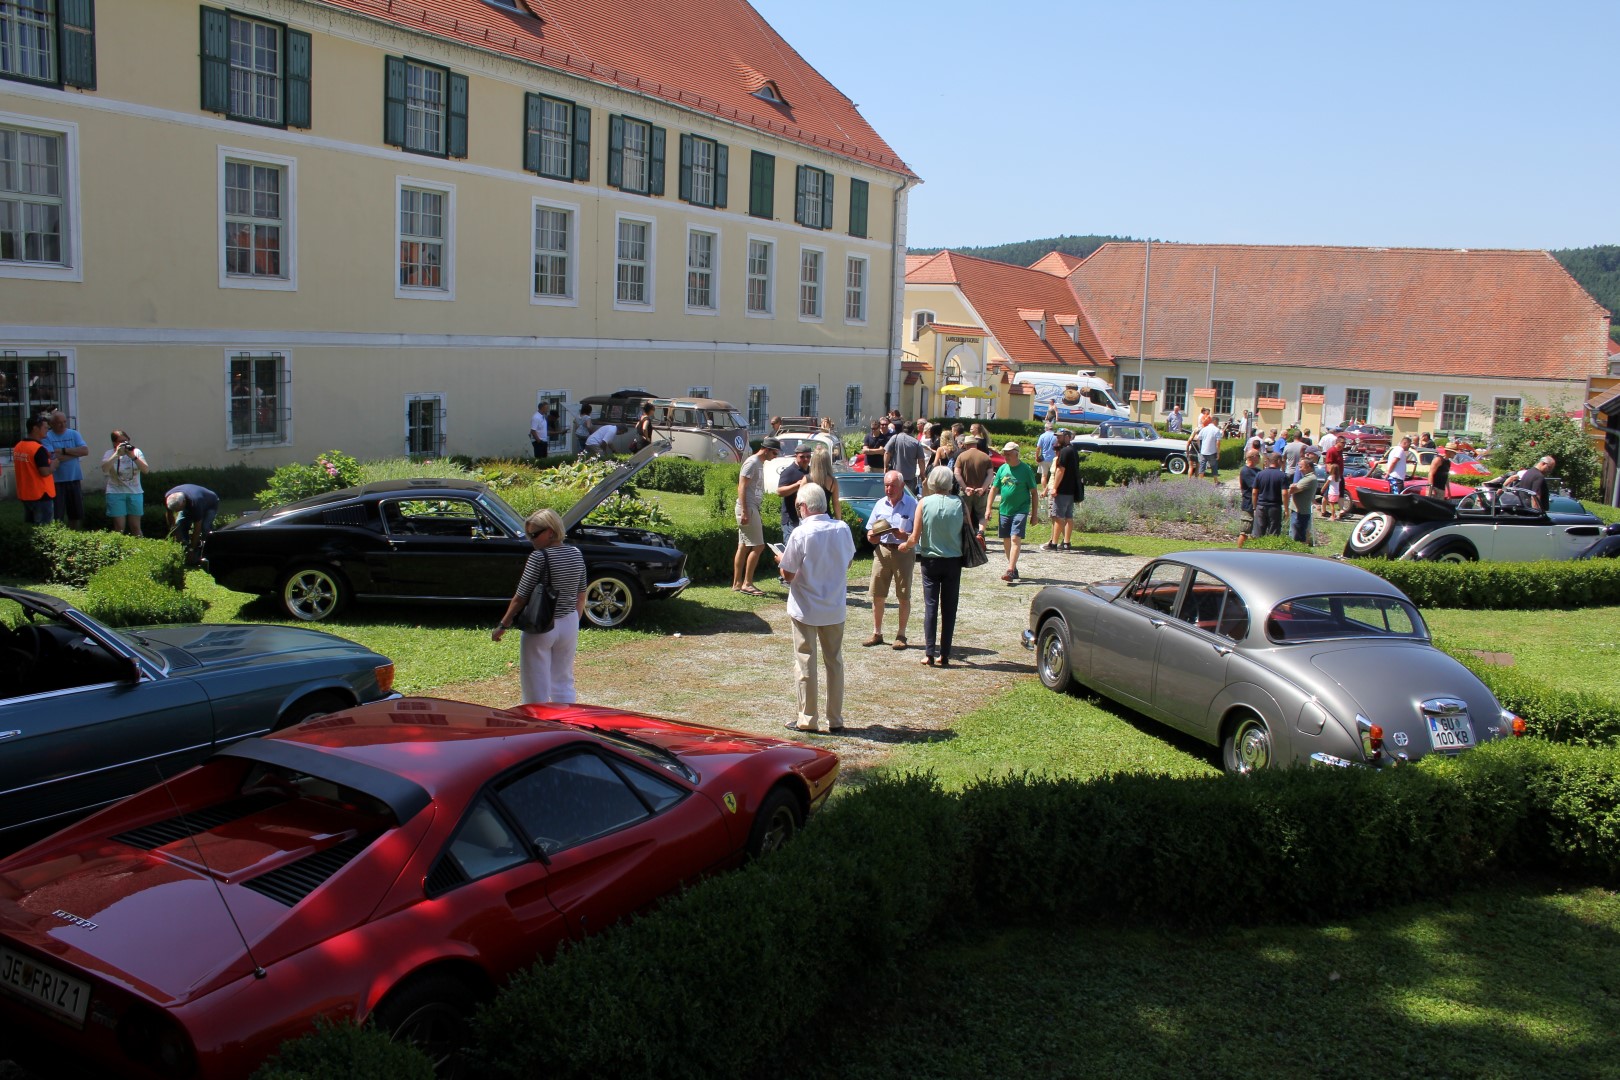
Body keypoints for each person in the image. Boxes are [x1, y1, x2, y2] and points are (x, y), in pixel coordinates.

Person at [778, 482, 855, 733]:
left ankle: (808, 718)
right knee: (835, 663)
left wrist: (781, 559)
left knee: (806, 662)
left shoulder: (801, 533)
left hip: (806, 607)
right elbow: (849, 562)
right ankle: (836, 719)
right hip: (833, 606)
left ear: (803, 506)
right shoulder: (842, 528)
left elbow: (787, 574)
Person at [491, 508, 588, 704]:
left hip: (541, 625)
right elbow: (581, 595)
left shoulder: (539, 557)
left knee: (535, 684)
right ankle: (566, 721)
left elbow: (521, 597)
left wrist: (503, 625)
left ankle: (538, 725)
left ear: (550, 532)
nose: (531, 540)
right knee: (563, 680)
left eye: (534, 535)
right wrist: (572, 622)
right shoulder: (576, 554)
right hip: (569, 622)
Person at [900, 467, 965, 668]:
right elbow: (967, 531)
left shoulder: (924, 503)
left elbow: (915, 536)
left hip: (931, 560)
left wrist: (906, 544)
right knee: (949, 608)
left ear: (932, 482)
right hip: (953, 560)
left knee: (931, 606)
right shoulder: (960, 503)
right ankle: (944, 654)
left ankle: (929, 653)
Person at [863, 470, 917, 649]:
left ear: (902, 486)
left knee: (903, 595)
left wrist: (905, 536)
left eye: (892, 485)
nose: (889, 489)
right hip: (882, 552)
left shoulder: (912, 504)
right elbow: (870, 531)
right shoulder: (880, 504)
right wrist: (872, 537)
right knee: (877, 594)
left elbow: (919, 535)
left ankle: (901, 635)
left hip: (903, 552)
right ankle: (877, 633)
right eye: (886, 485)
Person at [733, 438, 779, 595]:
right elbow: (742, 486)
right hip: (748, 508)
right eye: (774, 452)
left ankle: (737, 584)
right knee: (759, 546)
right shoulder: (752, 462)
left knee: (744, 546)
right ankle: (747, 583)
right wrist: (745, 511)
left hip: (751, 507)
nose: (775, 456)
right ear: (766, 449)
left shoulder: (759, 463)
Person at [989, 442, 1039, 583]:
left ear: (1017, 453)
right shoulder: (1002, 469)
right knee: (1006, 540)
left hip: (1021, 510)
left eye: (1009, 453)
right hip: (1004, 510)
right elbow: (994, 489)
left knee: (1015, 539)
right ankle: (1013, 568)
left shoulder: (1025, 470)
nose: (1006, 456)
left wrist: (1034, 514)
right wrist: (988, 508)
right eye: (1004, 453)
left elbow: (1034, 493)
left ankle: (1010, 570)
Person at [43, 411, 89, 529]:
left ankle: (73, 534)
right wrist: (74, 453)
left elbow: (85, 451)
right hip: (56, 481)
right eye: (59, 423)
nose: (62, 425)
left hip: (74, 478)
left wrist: (62, 450)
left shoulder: (74, 434)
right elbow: (52, 457)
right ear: (52, 424)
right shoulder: (47, 436)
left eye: (64, 422)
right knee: (57, 513)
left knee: (75, 513)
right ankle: (59, 535)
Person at [100, 429, 150, 535]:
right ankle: (119, 549)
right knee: (119, 527)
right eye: (121, 441)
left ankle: (140, 549)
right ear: (114, 443)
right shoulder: (109, 453)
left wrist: (133, 456)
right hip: (115, 492)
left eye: (126, 441)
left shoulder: (136, 452)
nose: (125, 444)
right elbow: (105, 469)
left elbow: (146, 470)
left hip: (135, 492)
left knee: (136, 527)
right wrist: (116, 455)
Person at [13, 414, 57, 525]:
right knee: (44, 528)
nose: (47, 429)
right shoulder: (38, 449)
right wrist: (54, 464)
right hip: (41, 494)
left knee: (31, 526)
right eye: (45, 427)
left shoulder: (19, 446)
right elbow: (44, 472)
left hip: (26, 494)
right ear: (35, 428)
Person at [1044, 428, 1083, 551]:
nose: (1057, 439)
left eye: (1060, 436)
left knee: (1058, 517)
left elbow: (1061, 470)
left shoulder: (1065, 451)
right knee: (1068, 517)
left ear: (1067, 437)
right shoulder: (1073, 450)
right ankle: (1066, 542)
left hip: (1062, 490)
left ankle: (1054, 543)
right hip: (1071, 490)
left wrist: (1054, 487)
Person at [164, 484, 220, 560]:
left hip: (210, 503)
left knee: (205, 527)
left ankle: (208, 551)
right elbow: (170, 516)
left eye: (178, 509)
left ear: (183, 502)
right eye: (174, 509)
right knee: (180, 525)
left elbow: (197, 529)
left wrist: (191, 550)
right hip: (190, 502)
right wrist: (175, 532)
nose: (176, 511)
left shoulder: (195, 503)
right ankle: (184, 548)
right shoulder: (168, 497)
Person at [954, 435, 993, 542]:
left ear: (966, 445)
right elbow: (990, 475)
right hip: (980, 491)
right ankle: (980, 533)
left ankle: (968, 535)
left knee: (965, 514)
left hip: (966, 492)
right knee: (982, 514)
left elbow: (957, 473)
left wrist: (965, 488)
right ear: (976, 444)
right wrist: (983, 488)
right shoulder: (985, 457)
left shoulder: (962, 457)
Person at [775, 444, 815, 546]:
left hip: (807, 517)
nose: (806, 459)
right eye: (802, 457)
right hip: (791, 518)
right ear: (795, 456)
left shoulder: (811, 471)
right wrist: (797, 485)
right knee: (791, 548)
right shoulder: (789, 471)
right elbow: (779, 491)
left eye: (808, 456)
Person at [1287, 450, 1321, 544]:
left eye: (1301, 467)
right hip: (1298, 511)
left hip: (1300, 512)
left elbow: (1293, 490)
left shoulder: (1309, 479)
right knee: (1295, 533)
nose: (1299, 469)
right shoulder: (1306, 478)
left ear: (1308, 467)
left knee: (1297, 537)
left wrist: (1291, 487)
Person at [884, 420, 925, 495]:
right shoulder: (916, 443)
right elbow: (921, 460)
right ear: (912, 431)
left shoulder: (895, 438)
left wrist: (885, 467)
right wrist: (922, 474)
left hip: (896, 476)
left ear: (903, 429)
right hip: (910, 477)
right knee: (909, 499)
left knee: (895, 496)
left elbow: (887, 453)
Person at [1251, 453, 1286, 538]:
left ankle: (1256, 549)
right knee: (1273, 533)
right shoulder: (1282, 475)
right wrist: (1286, 509)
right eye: (1281, 461)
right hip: (1275, 507)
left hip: (1261, 506)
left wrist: (1255, 507)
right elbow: (1284, 493)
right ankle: (1271, 550)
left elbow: (1254, 492)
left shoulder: (1260, 474)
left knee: (1258, 533)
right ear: (1278, 461)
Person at [807, 444, 841, 519]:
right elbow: (835, 504)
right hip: (827, 517)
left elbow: (798, 502)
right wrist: (839, 521)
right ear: (827, 462)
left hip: (810, 518)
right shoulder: (833, 481)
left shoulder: (806, 479)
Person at [1236, 447, 1261, 545]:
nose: (1260, 458)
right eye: (1258, 456)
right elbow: (1254, 487)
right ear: (1252, 457)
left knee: (1257, 531)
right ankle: (1239, 551)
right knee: (1245, 530)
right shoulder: (1246, 471)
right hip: (1249, 504)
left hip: (1259, 503)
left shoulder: (1258, 470)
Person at [1196, 415, 1222, 480]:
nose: (1218, 424)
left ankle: (1200, 481)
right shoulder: (1216, 430)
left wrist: (1200, 447)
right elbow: (1218, 442)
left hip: (1203, 451)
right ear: (1215, 421)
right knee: (1214, 467)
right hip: (1212, 451)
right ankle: (1216, 481)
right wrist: (1218, 452)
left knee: (1202, 466)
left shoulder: (1204, 429)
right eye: (1217, 422)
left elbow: (1198, 438)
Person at [1035, 421, 1058, 488]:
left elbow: (1038, 448)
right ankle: (1052, 488)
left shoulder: (1042, 436)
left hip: (1044, 458)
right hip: (1053, 458)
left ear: (1046, 428)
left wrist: (1036, 457)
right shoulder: (1055, 436)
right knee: (1053, 475)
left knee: (1044, 476)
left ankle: (1044, 490)